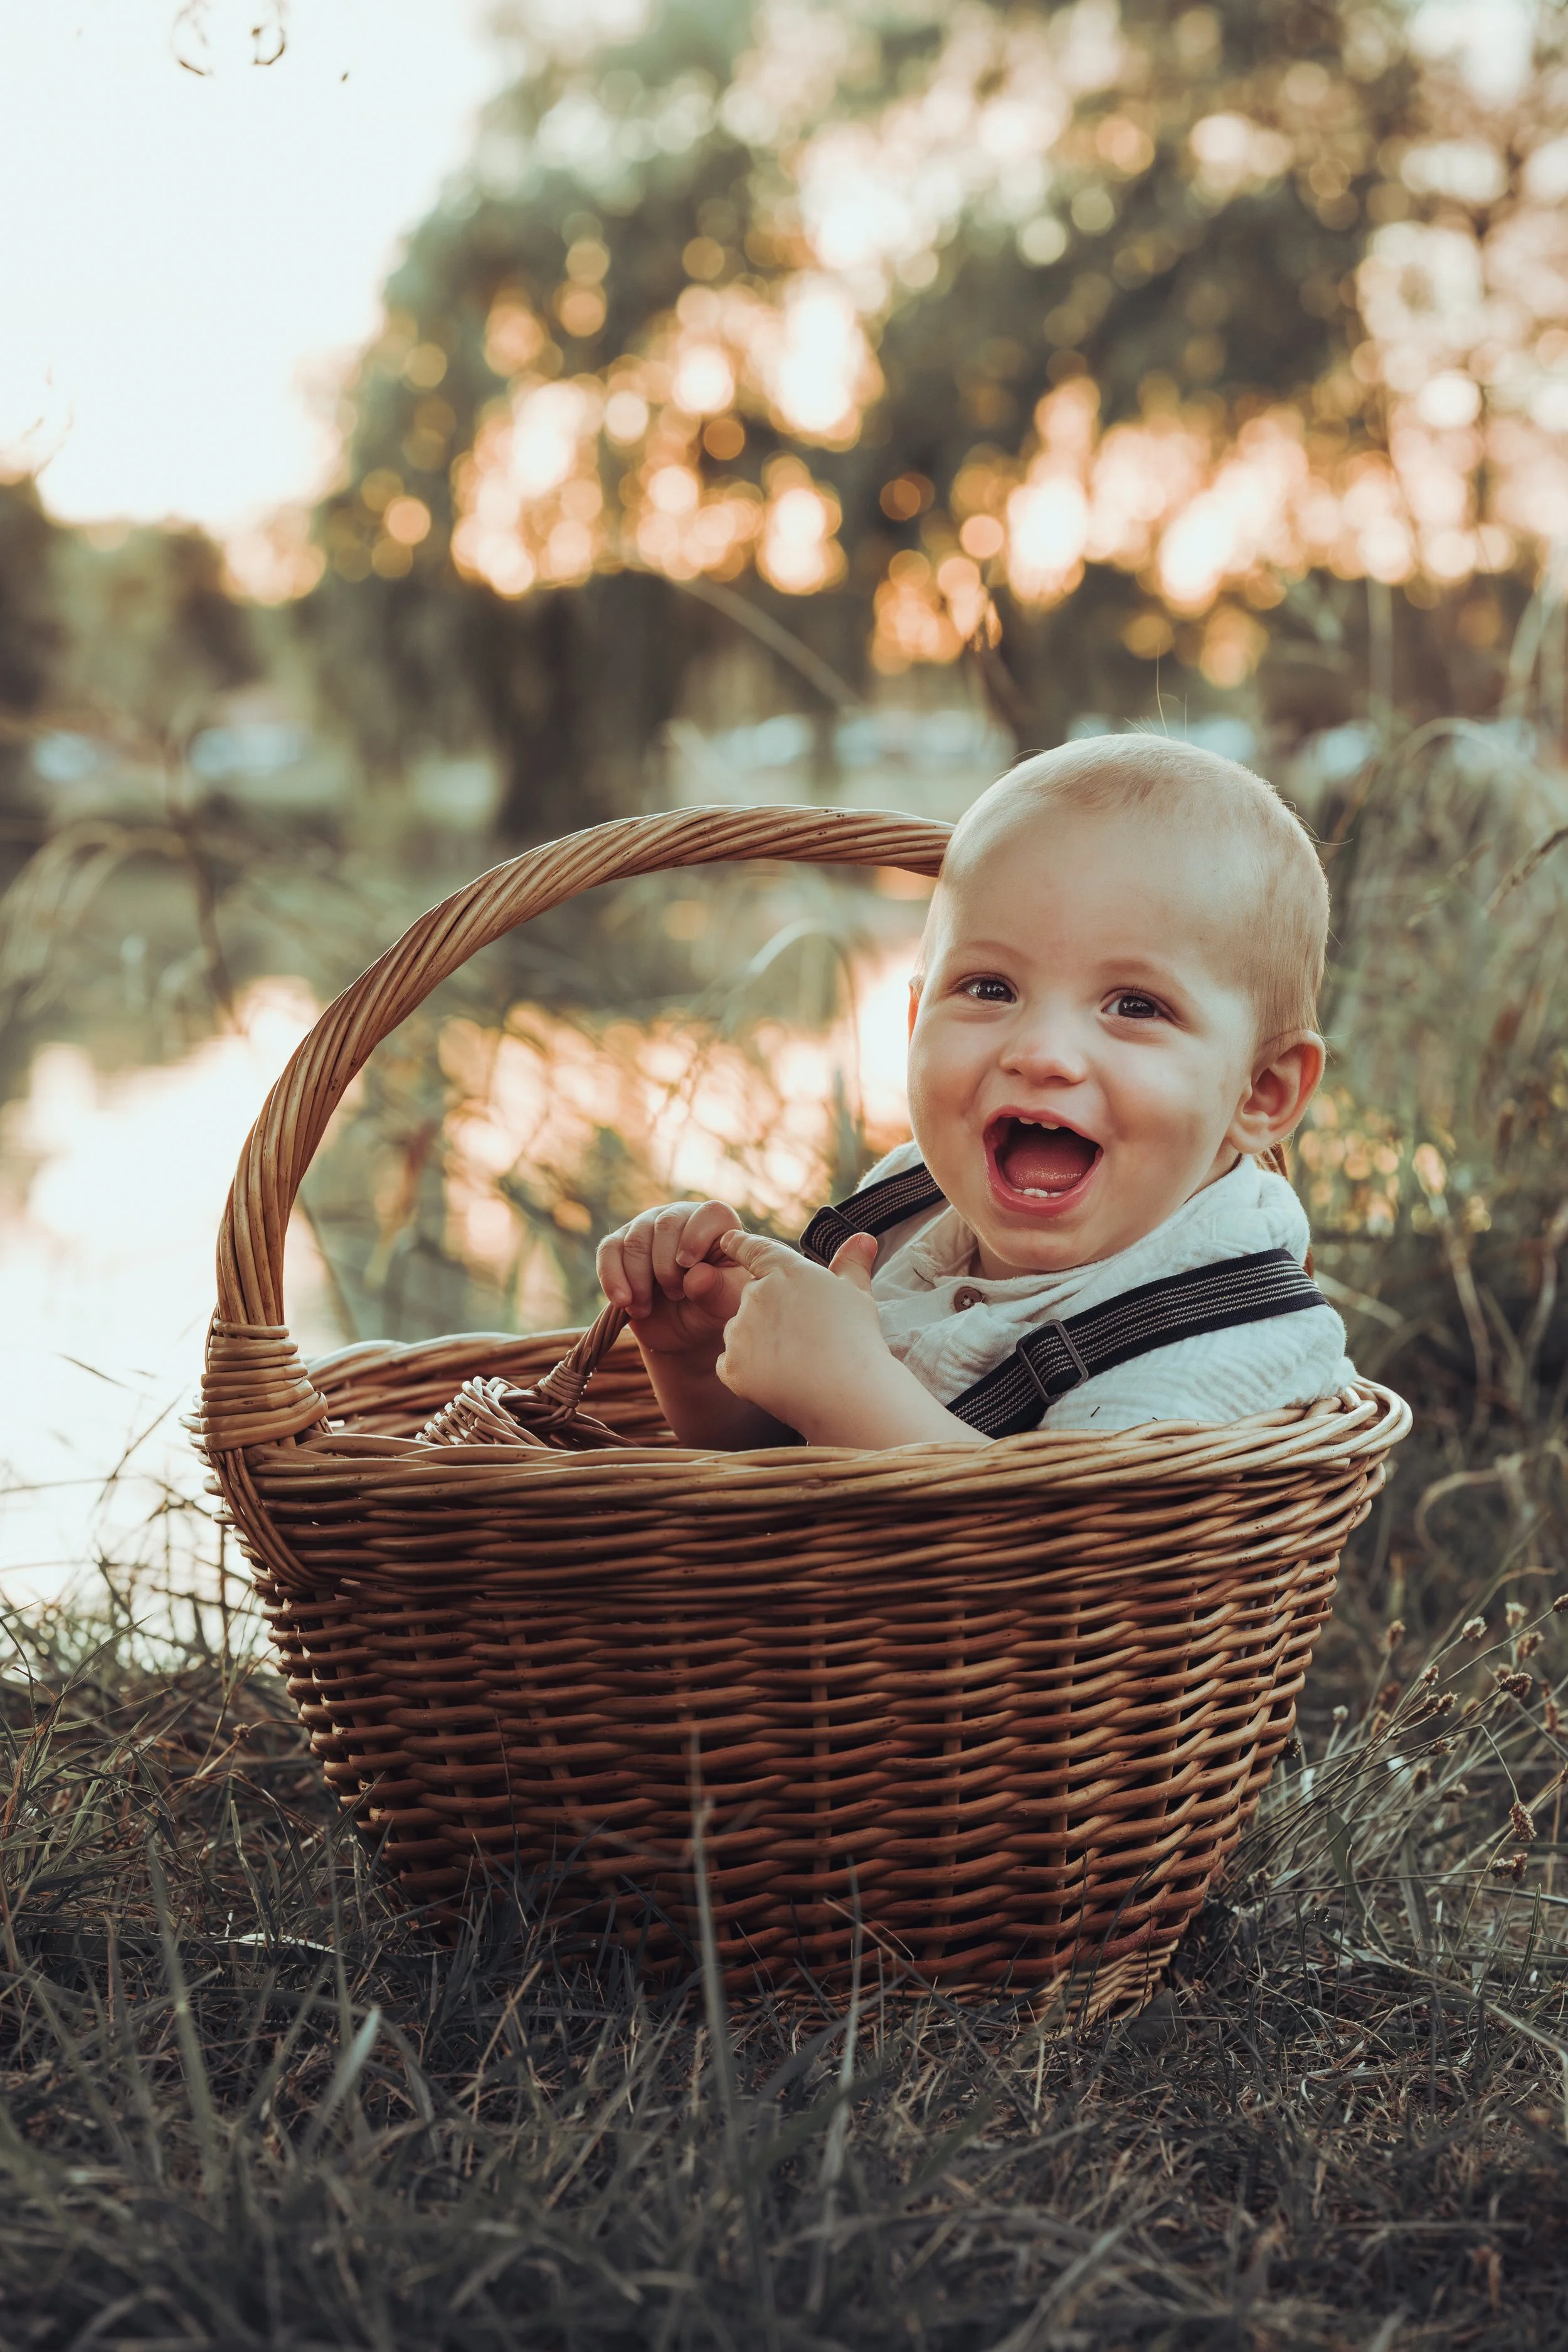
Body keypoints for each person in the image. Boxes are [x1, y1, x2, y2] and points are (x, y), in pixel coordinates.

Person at [596, 734, 1353, 1450]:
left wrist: (848, 1390)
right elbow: (781, 1481)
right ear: (915, 1022)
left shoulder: (1225, 1334)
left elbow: (1064, 1541)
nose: (1040, 1053)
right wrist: (699, 1363)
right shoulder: (911, 1204)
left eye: (1134, 1005)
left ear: (1261, 1092)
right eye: (990, 988)